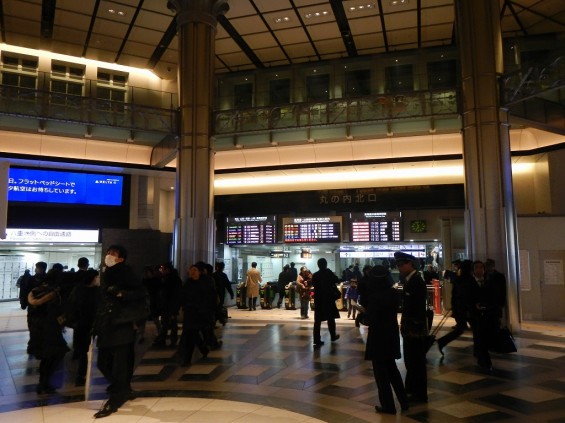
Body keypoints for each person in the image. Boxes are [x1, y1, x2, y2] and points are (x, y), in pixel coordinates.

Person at [92, 245, 147, 419]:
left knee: (120, 366)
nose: (109, 256)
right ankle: (123, 389)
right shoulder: (107, 273)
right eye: (108, 253)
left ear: (121, 259)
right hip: (107, 324)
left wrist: (122, 294)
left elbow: (141, 292)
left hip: (122, 325)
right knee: (103, 363)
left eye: (113, 254)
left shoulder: (126, 272)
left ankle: (115, 400)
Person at [358, 265, 409, 415]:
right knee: (393, 370)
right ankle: (404, 401)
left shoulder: (374, 296)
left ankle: (388, 406)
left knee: (381, 374)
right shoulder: (393, 293)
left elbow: (371, 319)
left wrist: (363, 316)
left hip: (378, 337)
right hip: (391, 335)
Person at [27, 266, 70, 394]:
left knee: (47, 357)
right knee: (56, 355)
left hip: (38, 328)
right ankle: (44, 383)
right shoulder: (54, 293)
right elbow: (56, 312)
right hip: (50, 329)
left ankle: (43, 383)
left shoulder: (36, 291)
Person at [395, 251, 428, 404]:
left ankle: (419, 393)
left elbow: (416, 307)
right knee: (411, 360)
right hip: (409, 326)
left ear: (410, 264)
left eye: (402, 264)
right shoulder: (409, 279)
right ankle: (411, 388)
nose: (399, 267)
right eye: (398, 265)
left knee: (416, 361)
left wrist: (413, 327)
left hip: (414, 328)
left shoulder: (416, 281)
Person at [62, 268, 100, 386]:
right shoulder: (98, 292)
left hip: (81, 325)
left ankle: (81, 375)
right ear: (93, 278)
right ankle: (82, 374)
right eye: (97, 277)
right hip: (90, 324)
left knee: (82, 351)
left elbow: (71, 307)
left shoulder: (78, 290)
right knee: (85, 350)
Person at [469, 259, 506, 371]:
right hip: (476, 316)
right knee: (480, 338)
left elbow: (497, 297)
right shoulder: (469, 283)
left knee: (486, 337)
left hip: (489, 314)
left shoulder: (489, 281)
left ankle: (483, 357)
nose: (479, 270)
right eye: (477, 268)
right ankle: (484, 360)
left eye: (481, 267)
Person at [178, 263, 217, 365]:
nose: (192, 272)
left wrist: (210, 312)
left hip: (201, 314)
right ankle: (188, 358)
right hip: (190, 314)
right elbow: (182, 296)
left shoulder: (206, 283)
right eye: (191, 270)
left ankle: (194, 354)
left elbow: (211, 298)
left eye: (195, 270)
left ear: (200, 272)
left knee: (192, 334)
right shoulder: (188, 283)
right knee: (191, 335)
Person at [436, 259, 473, 355]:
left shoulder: (459, 279)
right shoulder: (467, 279)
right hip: (465, 309)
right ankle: (442, 341)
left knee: (462, 328)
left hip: (461, 308)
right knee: (466, 328)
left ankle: (442, 341)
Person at [312, 258, 340, 347]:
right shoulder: (328, 273)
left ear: (318, 265)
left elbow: (314, 285)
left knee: (317, 321)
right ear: (326, 264)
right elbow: (337, 280)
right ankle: (333, 336)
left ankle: (316, 339)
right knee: (331, 319)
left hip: (319, 300)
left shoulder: (315, 275)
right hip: (328, 299)